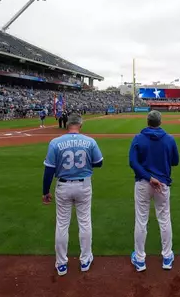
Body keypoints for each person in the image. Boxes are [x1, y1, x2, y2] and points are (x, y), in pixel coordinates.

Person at [42, 113, 104, 276]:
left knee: (62, 224)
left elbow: (49, 169)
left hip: (63, 185)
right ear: (80, 125)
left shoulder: (55, 142)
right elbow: (99, 163)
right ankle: (85, 260)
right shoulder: (89, 141)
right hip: (83, 185)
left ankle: (61, 264)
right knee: (84, 222)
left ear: (67, 125)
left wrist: (45, 191)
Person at [129, 110, 179, 272]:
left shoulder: (138, 138)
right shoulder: (169, 139)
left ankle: (140, 259)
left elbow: (133, 162)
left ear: (147, 121)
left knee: (141, 220)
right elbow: (175, 161)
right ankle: (166, 257)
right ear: (160, 121)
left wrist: (148, 176)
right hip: (162, 183)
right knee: (164, 219)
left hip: (143, 183)